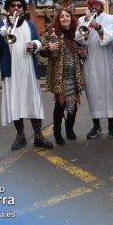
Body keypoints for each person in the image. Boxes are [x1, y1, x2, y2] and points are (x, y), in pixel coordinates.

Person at [0, 0, 53, 150]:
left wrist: (35, 45)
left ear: (24, 9)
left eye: (19, 6)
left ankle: (38, 135)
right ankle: (20, 135)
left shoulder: (30, 25)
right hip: (11, 72)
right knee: (15, 103)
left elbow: (38, 42)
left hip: (28, 71)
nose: (16, 8)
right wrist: (4, 33)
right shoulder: (1, 25)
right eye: (13, 6)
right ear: (8, 8)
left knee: (33, 102)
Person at [75, 0, 113, 139]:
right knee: (93, 92)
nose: (94, 7)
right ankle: (96, 126)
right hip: (91, 61)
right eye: (91, 4)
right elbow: (80, 38)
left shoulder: (111, 18)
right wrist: (87, 29)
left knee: (109, 92)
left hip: (106, 60)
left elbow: (110, 37)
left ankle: (111, 126)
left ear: (101, 6)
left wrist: (96, 25)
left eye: (96, 4)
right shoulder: (82, 20)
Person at [41, 8, 86, 145]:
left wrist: (82, 52)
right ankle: (57, 132)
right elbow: (43, 53)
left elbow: (81, 50)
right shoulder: (52, 33)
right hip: (60, 77)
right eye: (62, 17)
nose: (65, 18)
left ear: (71, 18)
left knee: (73, 105)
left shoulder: (76, 34)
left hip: (74, 75)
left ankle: (69, 129)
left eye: (67, 16)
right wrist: (49, 48)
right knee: (60, 105)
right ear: (58, 20)